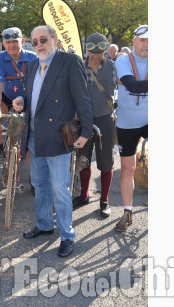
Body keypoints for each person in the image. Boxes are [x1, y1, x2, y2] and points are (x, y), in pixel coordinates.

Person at [13, 25, 92, 258]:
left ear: (55, 40)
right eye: (35, 41)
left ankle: (67, 235)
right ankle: (45, 224)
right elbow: (34, 96)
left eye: (43, 39)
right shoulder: (33, 65)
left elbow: (82, 97)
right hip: (35, 135)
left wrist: (86, 132)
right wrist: (21, 101)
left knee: (60, 187)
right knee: (39, 183)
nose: (39, 45)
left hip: (58, 136)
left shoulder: (69, 62)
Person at [73, 33, 117, 218]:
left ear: (105, 50)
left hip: (105, 119)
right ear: (87, 50)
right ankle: (83, 195)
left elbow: (121, 85)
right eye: (93, 51)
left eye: (100, 52)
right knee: (83, 160)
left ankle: (104, 200)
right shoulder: (78, 67)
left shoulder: (113, 66)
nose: (96, 55)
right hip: (83, 120)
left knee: (106, 162)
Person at [114, 24, 148, 232]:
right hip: (126, 123)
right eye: (142, 40)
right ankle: (127, 211)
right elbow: (133, 85)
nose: (146, 45)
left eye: (150, 40)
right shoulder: (123, 60)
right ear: (134, 41)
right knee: (128, 169)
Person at [0, 27, 37, 159]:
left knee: (24, 131)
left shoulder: (32, 57)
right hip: (6, 96)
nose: (11, 46)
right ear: (3, 44)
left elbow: (36, 85)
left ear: (22, 41)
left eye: (15, 42)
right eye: (8, 42)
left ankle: (32, 176)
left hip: (25, 98)